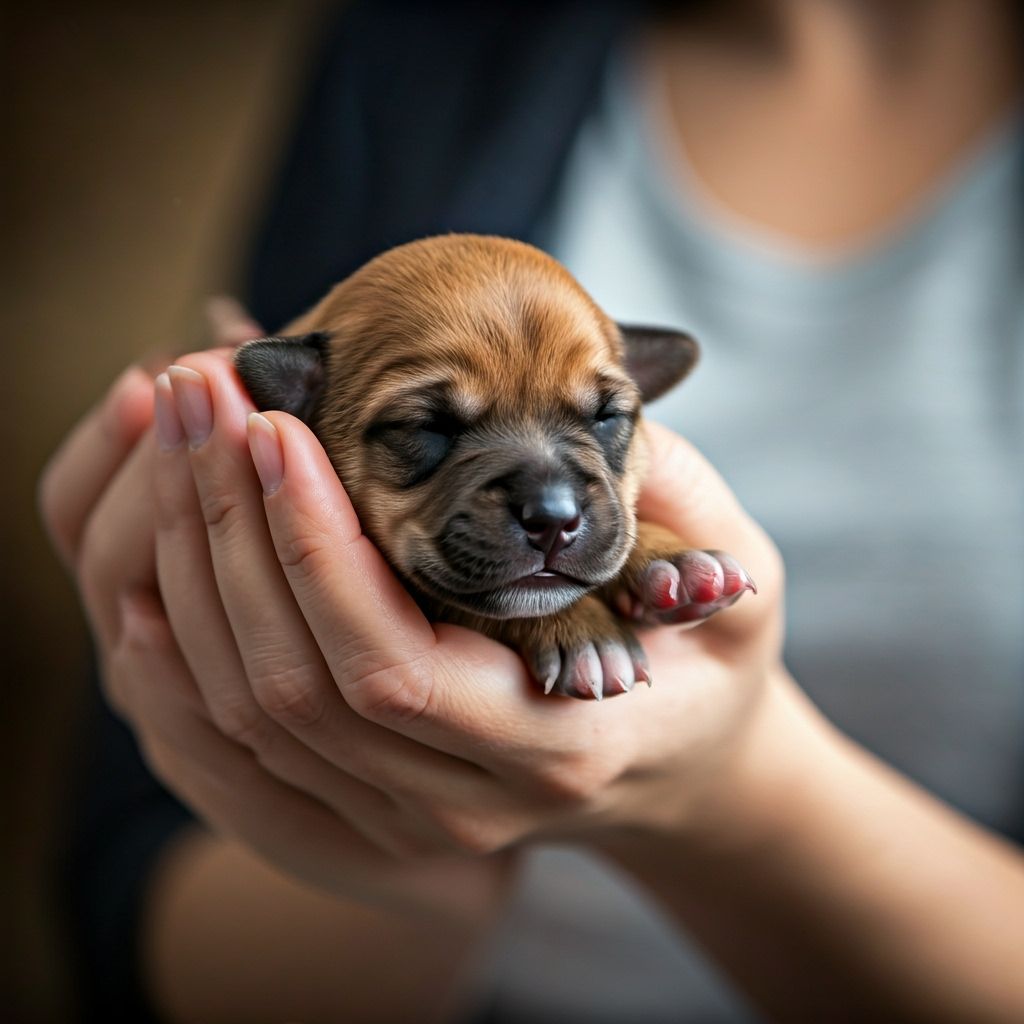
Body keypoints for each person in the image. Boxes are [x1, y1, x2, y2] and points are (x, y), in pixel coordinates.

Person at [39, 1, 1024, 1021]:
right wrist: (399, 873)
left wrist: (730, 795)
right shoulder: (410, 51)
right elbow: (121, 909)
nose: (553, 501)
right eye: (428, 431)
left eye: (598, 422)